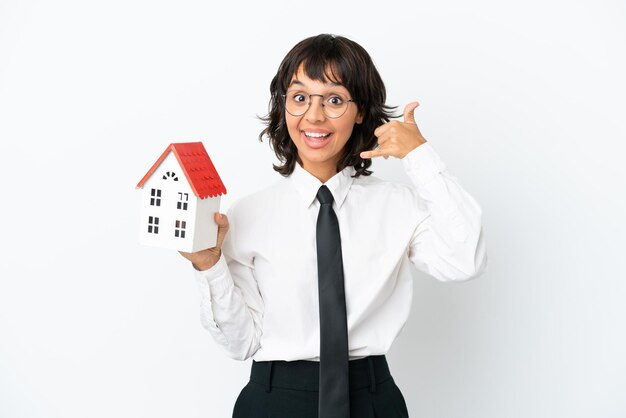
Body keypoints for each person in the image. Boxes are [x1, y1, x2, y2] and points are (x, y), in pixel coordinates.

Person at [180, 34, 487, 418]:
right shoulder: (245, 214)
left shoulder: (399, 206)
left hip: (371, 400)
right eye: (300, 97)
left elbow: (466, 260)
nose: (314, 115)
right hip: (275, 401)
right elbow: (240, 343)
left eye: (335, 100)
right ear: (284, 107)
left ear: (361, 111)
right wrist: (209, 267)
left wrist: (419, 155)